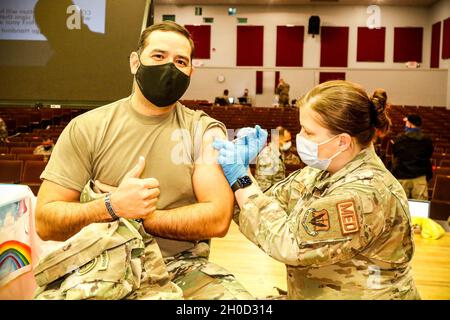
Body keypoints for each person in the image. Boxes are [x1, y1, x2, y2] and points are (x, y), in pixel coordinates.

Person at [35, 21, 252, 300]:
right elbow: (45, 221)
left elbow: (217, 219)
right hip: (98, 261)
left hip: (181, 267)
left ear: (191, 72)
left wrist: (138, 216)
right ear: (135, 62)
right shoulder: (87, 128)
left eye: (180, 61)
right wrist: (110, 206)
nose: (170, 68)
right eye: (159, 56)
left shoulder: (203, 131)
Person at [213, 80, 420, 299]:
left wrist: (242, 179)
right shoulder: (321, 171)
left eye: (308, 132)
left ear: (342, 142)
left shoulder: (365, 194)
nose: (300, 137)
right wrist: (244, 173)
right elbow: (266, 206)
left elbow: (289, 243)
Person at [392, 114, 433, 200]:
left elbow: (395, 155)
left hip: (402, 177)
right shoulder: (427, 140)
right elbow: (429, 155)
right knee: (420, 210)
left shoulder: (400, 140)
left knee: (402, 209)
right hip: (420, 178)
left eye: (406, 123)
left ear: (410, 124)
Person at [254, 126, 299, 191]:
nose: (289, 143)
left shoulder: (279, 152)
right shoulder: (267, 157)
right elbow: (264, 187)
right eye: (286, 141)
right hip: (269, 197)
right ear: (276, 138)